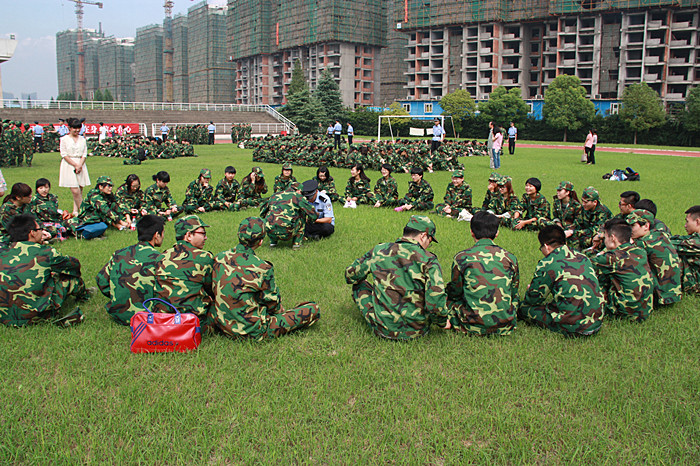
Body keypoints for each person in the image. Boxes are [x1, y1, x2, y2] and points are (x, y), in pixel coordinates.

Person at [209, 217, 321, 340]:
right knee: (313, 309)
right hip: (253, 331)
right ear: (261, 241)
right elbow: (273, 305)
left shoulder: (219, 258)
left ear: (239, 235)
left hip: (222, 325)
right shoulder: (262, 267)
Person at [345, 215, 448, 340]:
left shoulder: (379, 250)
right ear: (423, 236)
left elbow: (350, 275)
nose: (427, 246)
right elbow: (436, 301)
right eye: (429, 242)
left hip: (382, 329)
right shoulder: (429, 260)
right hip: (418, 331)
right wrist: (443, 323)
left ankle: (382, 318)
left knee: (359, 285)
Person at [0, 214, 88, 327]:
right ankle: (84, 296)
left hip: (3, 317)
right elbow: (73, 265)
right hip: (36, 316)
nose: (42, 232)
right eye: (40, 229)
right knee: (69, 278)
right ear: (32, 233)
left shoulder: (4, 252)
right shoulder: (46, 252)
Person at [441, 211, 519, 336]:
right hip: (505, 325)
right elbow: (513, 292)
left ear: (472, 232)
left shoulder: (462, 258)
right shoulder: (510, 258)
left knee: (444, 299)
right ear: (497, 233)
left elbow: (455, 292)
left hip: (471, 325)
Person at [518, 225, 604, 336]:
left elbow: (532, 300)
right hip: (597, 321)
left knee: (523, 308)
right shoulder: (583, 257)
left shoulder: (548, 263)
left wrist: (531, 290)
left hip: (573, 327)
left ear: (546, 246)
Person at [96, 215, 165, 325]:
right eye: (163, 233)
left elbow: (101, 280)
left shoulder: (119, 254)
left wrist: (118, 294)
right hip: (148, 317)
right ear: (156, 235)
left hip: (118, 314)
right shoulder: (160, 259)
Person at [153, 215, 214, 329]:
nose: (205, 237)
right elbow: (212, 289)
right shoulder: (204, 258)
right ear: (189, 235)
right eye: (203, 233)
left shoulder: (162, 257)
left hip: (163, 322)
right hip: (193, 323)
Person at [589, 219, 654, 322]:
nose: (604, 241)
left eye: (605, 237)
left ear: (612, 238)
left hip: (626, 313)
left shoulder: (613, 258)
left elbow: (584, 265)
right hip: (645, 309)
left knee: (593, 276)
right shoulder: (640, 251)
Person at [627, 209, 682, 306]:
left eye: (633, 226)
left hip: (661, 295)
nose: (629, 230)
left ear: (646, 226)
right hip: (672, 293)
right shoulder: (659, 235)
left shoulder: (643, 243)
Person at [260, 182, 318, 249]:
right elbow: (313, 214)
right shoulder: (297, 196)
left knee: (272, 216)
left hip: (270, 231)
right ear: (299, 190)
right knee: (302, 214)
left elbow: (262, 212)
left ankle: (273, 243)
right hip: (288, 232)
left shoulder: (274, 195)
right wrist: (311, 221)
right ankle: (297, 244)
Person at [59, 117, 91, 216]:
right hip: (69, 164)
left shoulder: (82, 139)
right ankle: (84, 212)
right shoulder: (64, 139)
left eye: (78, 128)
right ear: (69, 128)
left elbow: (84, 154)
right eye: (75, 128)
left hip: (81, 163)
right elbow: (64, 154)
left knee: (80, 189)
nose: (77, 130)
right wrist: (75, 165)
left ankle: (75, 210)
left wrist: (80, 164)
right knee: (75, 190)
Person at [670, 205, 700, 294]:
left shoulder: (696, 242)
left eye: (687, 221)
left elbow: (669, 245)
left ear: (697, 221)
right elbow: (681, 239)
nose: (685, 225)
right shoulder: (694, 238)